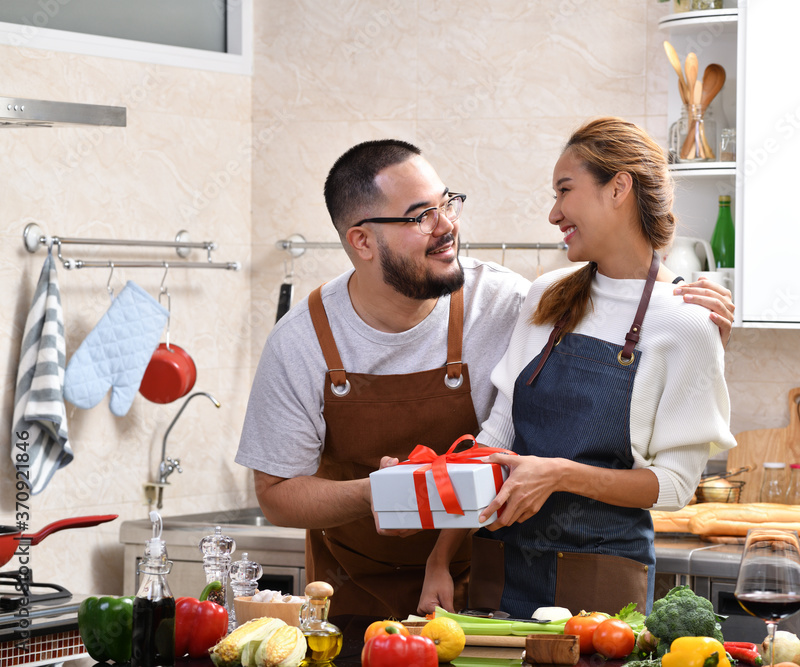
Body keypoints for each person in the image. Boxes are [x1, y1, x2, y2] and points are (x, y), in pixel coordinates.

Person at [236, 137, 735, 619]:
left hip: (501, 575)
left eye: (446, 204)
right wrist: (386, 497)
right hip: (358, 585)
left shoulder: (504, 300)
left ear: (619, 189)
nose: (446, 225)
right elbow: (496, 439)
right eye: (420, 216)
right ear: (362, 241)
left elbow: (670, 475)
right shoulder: (301, 340)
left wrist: (703, 336)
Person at [418, 117, 738, 619]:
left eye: (564, 191)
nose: (553, 213)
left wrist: (559, 475)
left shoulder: (686, 322)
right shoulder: (548, 294)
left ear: (619, 188)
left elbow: (674, 487)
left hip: (602, 582)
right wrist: (440, 558)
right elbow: (498, 436)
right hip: (503, 567)